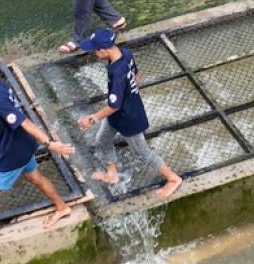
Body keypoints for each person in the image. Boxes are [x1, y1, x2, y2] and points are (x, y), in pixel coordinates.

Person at [0, 60, 75, 247]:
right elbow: (9, 115)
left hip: (13, 152)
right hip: (23, 144)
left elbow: (25, 122)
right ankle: (62, 207)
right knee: (35, 178)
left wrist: (49, 143)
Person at [74, 29, 183, 199]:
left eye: (95, 50)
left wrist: (92, 118)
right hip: (123, 111)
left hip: (129, 118)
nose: (94, 53)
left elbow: (114, 105)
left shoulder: (116, 72)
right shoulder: (125, 54)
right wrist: (129, 95)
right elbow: (137, 77)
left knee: (142, 152)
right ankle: (112, 173)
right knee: (102, 140)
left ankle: (173, 178)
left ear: (104, 50)